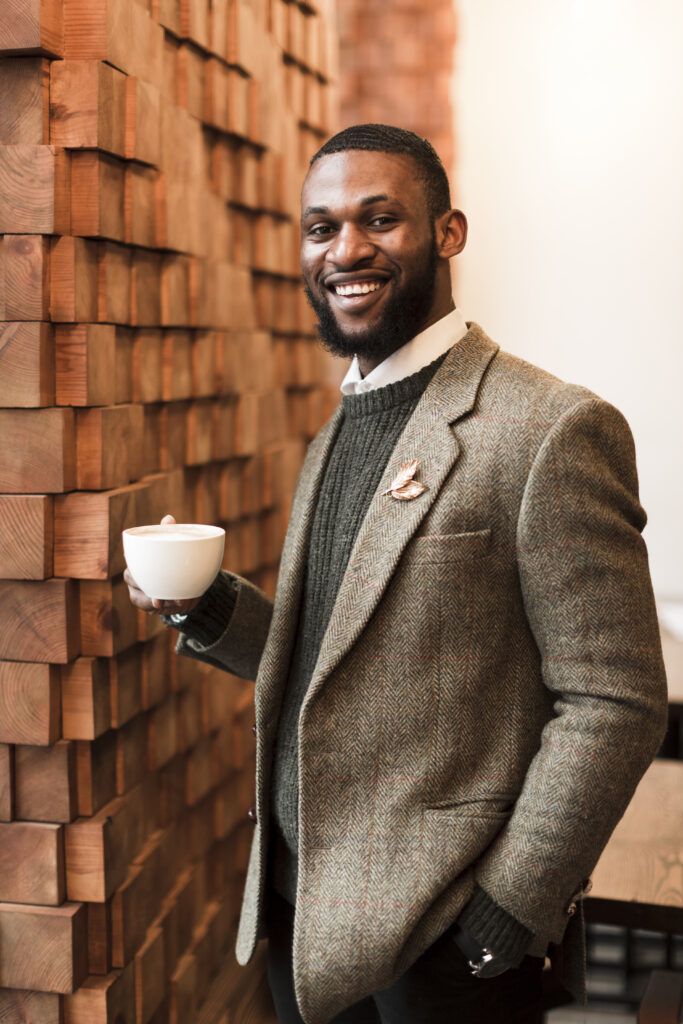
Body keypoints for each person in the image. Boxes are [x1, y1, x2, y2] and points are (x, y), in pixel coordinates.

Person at [125, 124, 668, 1024]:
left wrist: (508, 910)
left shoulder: (550, 428)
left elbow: (615, 700)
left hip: (446, 949)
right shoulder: (339, 425)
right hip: (302, 922)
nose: (346, 250)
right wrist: (205, 608)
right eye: (321, 227)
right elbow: (343, 663)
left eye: (380, 220)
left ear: (447, 233)